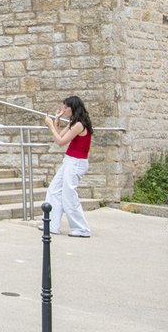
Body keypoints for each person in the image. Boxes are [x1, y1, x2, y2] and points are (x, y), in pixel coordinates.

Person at [44, 95, 93, 237]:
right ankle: (52, 224)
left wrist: (50, 125)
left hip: (76, 162)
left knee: (69, 195)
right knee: (54, 190)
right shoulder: (73, 123)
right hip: (70, 160)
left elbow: (60, 142)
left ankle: (81, 228)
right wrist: (56, 120)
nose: (64, 109)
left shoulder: (79, 125)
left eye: (66, 107)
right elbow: (59, 135)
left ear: (74, 108)